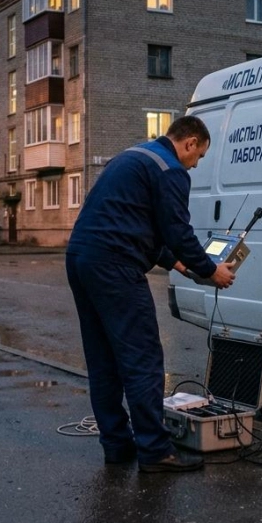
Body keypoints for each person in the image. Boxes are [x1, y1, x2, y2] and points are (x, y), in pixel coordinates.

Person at [66, 115, 236, 473]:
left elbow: (139, 225)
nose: (197, 163)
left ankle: (116, 445)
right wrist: (210, 269)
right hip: (115, 265)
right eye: (199, 156)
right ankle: (156, 450)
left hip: (82, 258)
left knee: (103, 360)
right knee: (142, 359)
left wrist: (183, 267)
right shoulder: (171, 170)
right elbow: (177, 230)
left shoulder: (133, 157)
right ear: (189, 143)